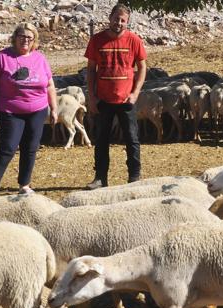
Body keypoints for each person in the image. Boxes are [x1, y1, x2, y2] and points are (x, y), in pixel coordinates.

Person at [0, 22, 57, 194]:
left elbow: (49, 85)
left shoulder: (40, 58)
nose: (25, 40)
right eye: (22, 36)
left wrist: (54, 108)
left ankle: (24, 184)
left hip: (37, 110)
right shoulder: (3, 57)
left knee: (31, 147)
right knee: (8, 148)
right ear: (15, 38)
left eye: (29, 38)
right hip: (10, 111)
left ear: (34, 40)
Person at [85, 3, 147, 189]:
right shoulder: (97, 40)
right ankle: (100, 178)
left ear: (127, 22)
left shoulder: (134, 40)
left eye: (123, 20)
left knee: (131, 138)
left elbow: (142, 67)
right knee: (101, 139)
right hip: (104, 98)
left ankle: (134, 177)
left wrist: (135, 93)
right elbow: (90, 69)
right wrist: (92, 96)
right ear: (110, 18)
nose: (118, 23)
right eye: (116, 18)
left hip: (126, 99)